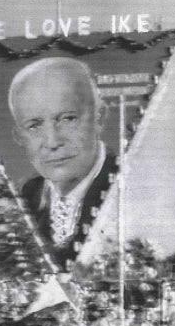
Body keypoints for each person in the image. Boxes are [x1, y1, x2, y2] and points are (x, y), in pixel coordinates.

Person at [8, 57, 117, 272]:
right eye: (34, 126)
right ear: (19, 137)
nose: (52, 142)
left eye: (68, 119)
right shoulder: (24, 199)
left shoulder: (126, 186)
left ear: (99, 117)